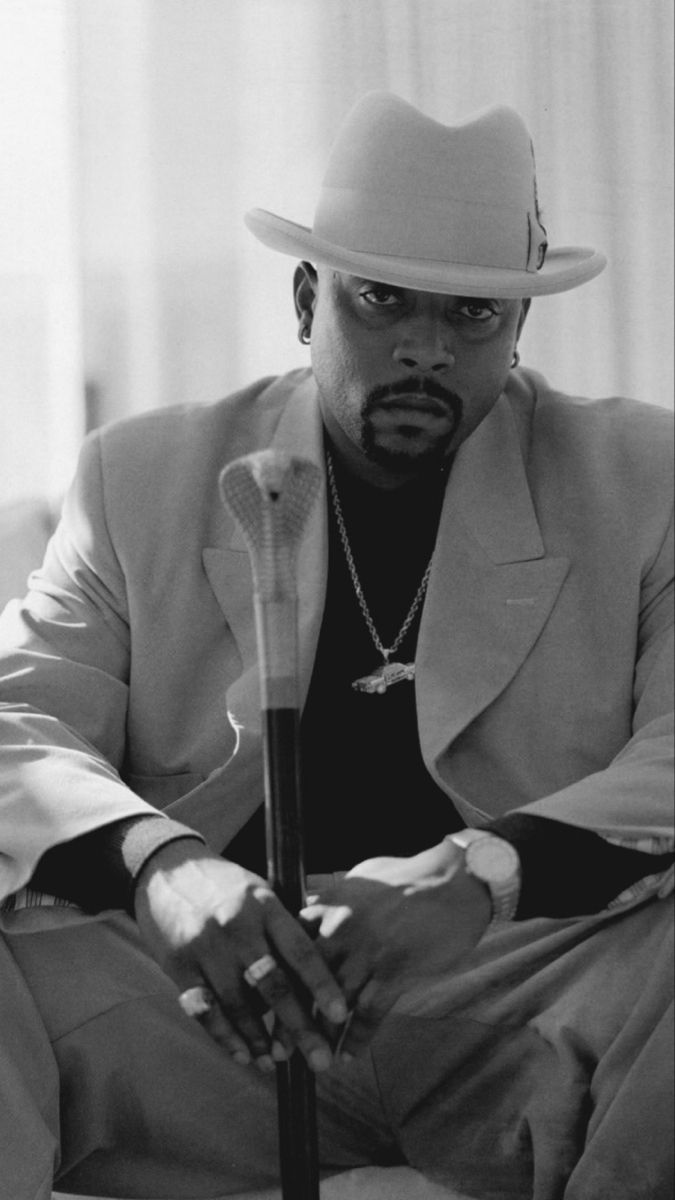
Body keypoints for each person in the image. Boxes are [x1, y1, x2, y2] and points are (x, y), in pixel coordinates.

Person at [0, 91, 672, 1200]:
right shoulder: (141, 478)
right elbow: (18, 723)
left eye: (472, 316)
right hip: (206, 1014)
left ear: (518, 327)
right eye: (382, 301)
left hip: (508, 992)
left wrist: (476, 883)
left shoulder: (644, 480)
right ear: (308, 299)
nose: (423, 349)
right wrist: (164, 870)